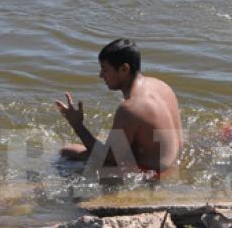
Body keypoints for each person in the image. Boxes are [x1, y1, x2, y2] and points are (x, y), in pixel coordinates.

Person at [54, 38, 183, 175]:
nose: (101, 75)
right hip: (173, 161)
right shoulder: (161, 86)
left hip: (153, 174)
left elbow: (108, 158)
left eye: (105, 70)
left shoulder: (130, 108)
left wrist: (77, 125)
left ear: (124, 69)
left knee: (67, 151)